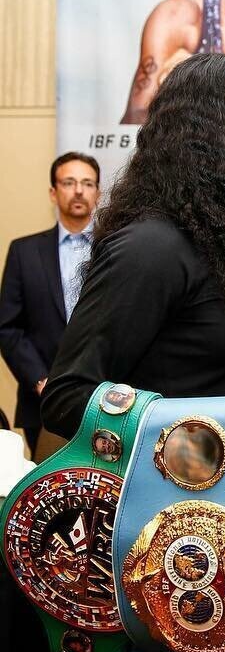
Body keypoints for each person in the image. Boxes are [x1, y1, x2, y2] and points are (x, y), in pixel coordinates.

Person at [43, 53, 225, 498]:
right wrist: (224, 424)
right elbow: (67, 398)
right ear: (207, 130)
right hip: (170, 521)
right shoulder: (151, 246)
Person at [0, 152, 100, 456]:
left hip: (105, 401)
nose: (79, 190)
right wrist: (41, 380)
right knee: (47, 484)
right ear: (53, 193)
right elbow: (8, 328)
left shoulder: (115, 249)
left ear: (98, 193)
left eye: (87, 183)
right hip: (41, 404)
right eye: (69, 182)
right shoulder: (24, 252)